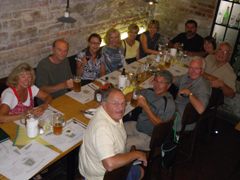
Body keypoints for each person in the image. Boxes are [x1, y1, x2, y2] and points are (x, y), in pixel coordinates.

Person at [79, 88, 147, 180]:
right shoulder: (102, 129)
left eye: (123, 103)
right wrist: (136, 154)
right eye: (115, 103)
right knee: (140, 172)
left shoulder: (111, 114)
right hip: (101, 176)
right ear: (103, 104)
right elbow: (109, 164)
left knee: (140, 171)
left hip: (111, 168)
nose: (121, 108)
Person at [124, 70, 176, 151]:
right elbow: (132, 94)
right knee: (114, 129)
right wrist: (131, 97)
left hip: (149, 138)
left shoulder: (168, 103)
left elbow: (160, 126)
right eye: (156, 81)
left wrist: (145, 106)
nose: (157, 85)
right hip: (138, 126)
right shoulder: (150, 91)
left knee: (121, 145)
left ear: (168, 85)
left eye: (161, 82)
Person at [174, 57, 211, 131]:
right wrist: (163, 78)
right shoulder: (187, 77)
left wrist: (190, 94)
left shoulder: (203, 86)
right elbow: (175, 79)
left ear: (202, 71)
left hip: (184, 120)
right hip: (176, 109)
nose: (192, 71)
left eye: (196, 68)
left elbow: (201, 109)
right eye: (190, 67)